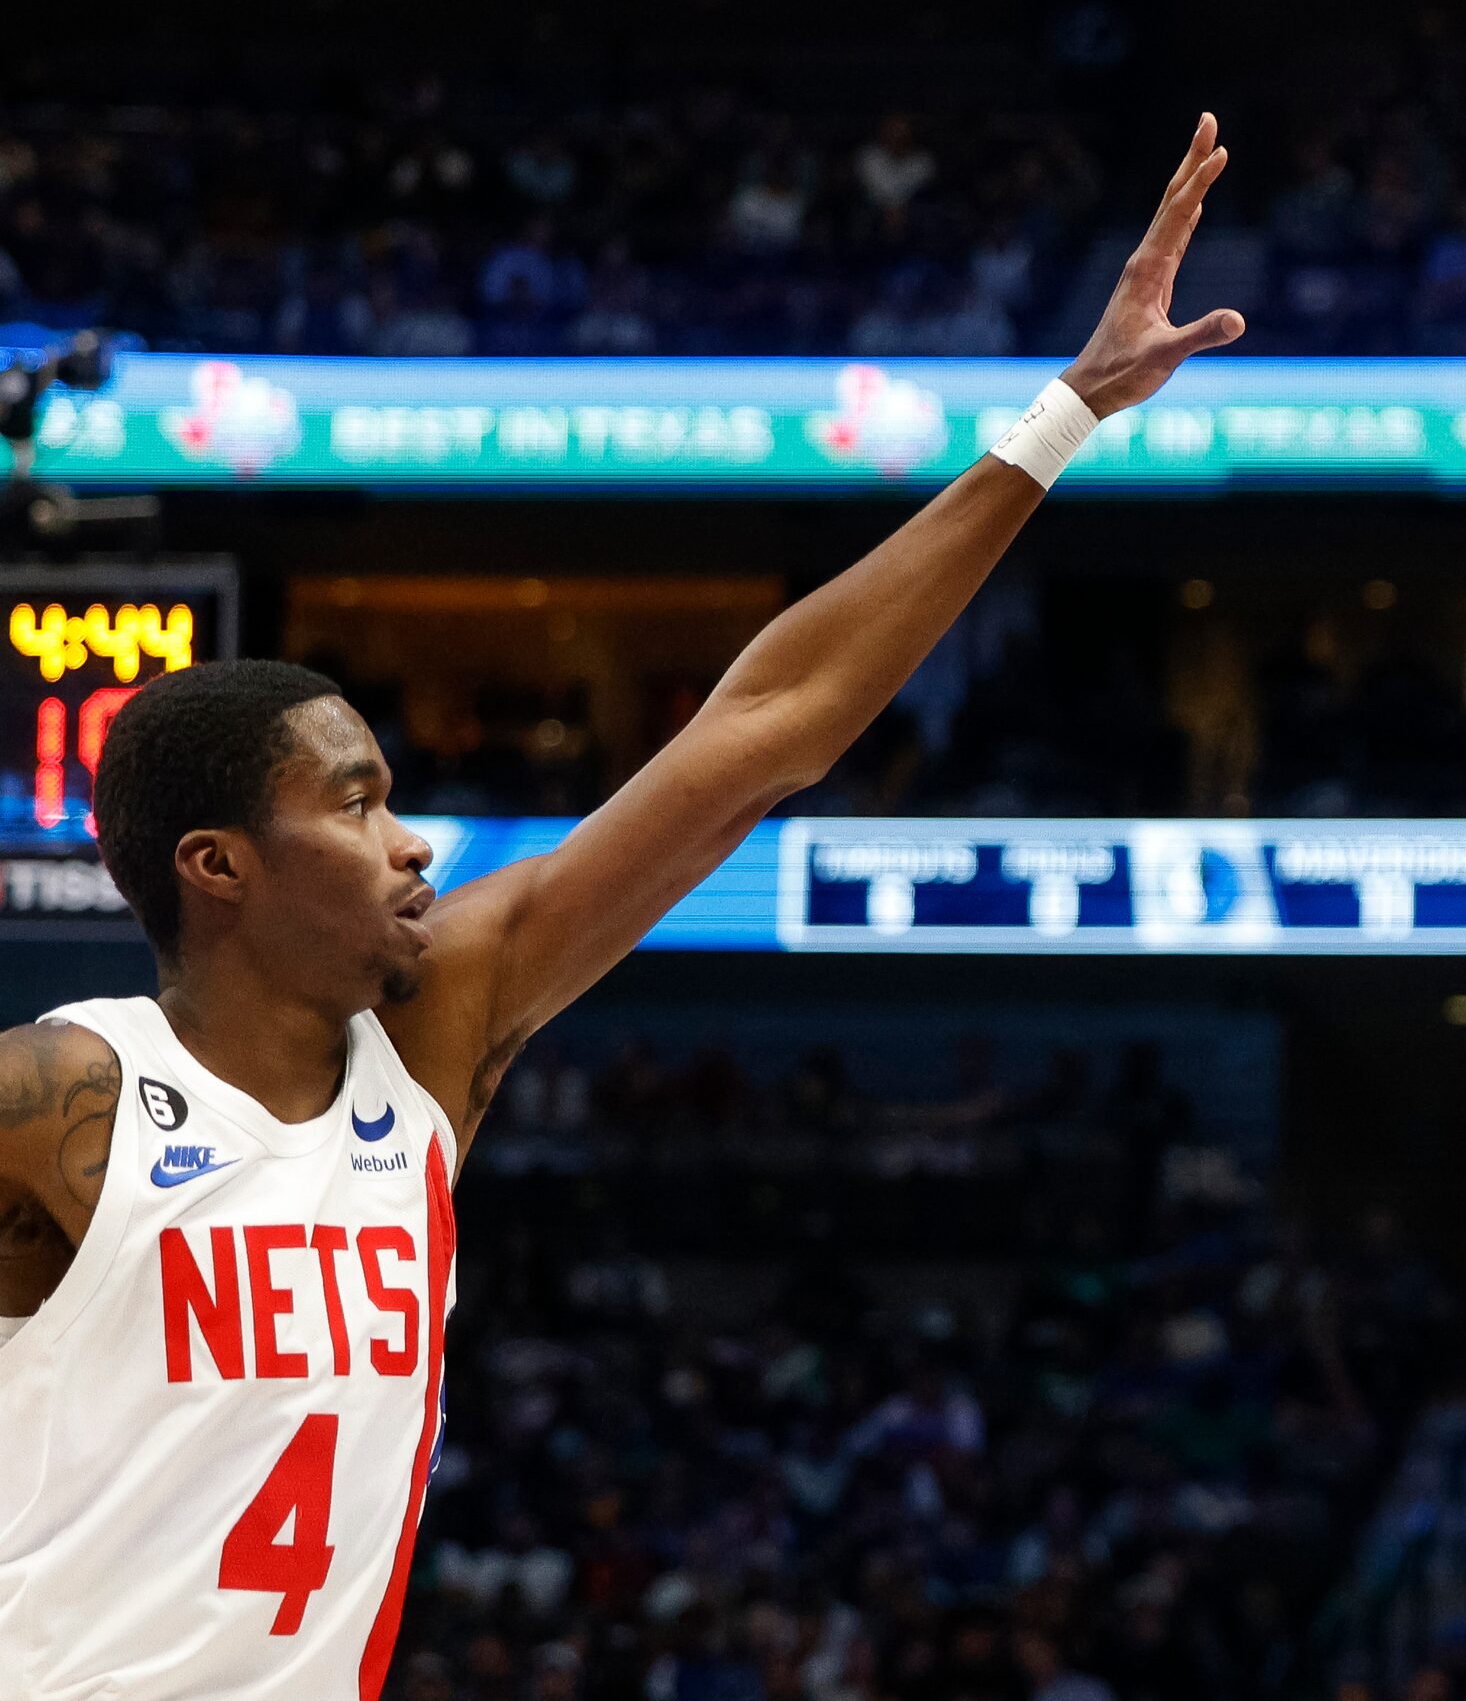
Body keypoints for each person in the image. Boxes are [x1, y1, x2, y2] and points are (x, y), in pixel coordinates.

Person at [0, 117, 1247, 1700]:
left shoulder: (435, 1035)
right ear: (218, 865)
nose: (412, 842)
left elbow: (760, 729)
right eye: (358, 800)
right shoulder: (62, 1096)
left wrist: (1060, 419)